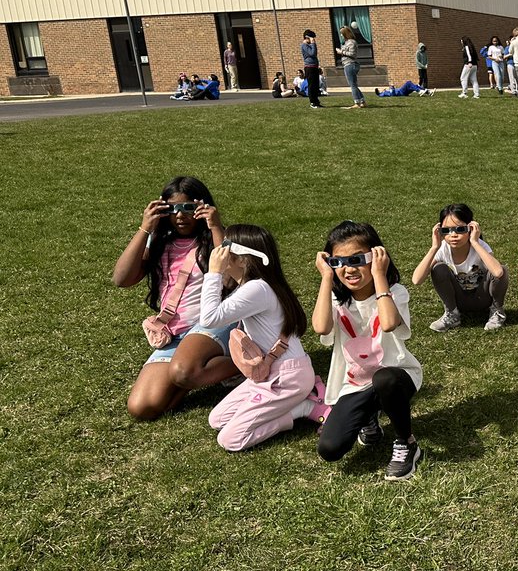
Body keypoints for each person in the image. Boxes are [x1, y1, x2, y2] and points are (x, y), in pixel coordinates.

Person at [112, 176, 239, 420]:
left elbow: (231, 278)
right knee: (142, 408)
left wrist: (215, 226)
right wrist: (145, 228)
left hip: (211, 324)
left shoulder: (212, 240)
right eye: (172, 209)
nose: (180, 215)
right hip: (174, 333)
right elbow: (122, 279)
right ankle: (197, 368)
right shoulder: (160, 243)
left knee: (183, 372)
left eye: (188, 208)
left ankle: (249, 361)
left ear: (202, 208)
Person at [313, 221, 425, 481]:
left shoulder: (394, 292)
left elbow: (388, 324)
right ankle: (369, 417)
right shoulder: (336, 298)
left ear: (376, 256)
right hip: (355, 384)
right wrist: (326, 278)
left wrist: (379, 276)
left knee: (384, 379)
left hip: (397, 376)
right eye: (338, 262)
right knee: (330, 449)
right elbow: (320, 327)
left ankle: (406, 443)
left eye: (357, 259)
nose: (348, 268)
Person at [200, 225, 326, 452]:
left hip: (286, 378)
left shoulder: (257, 289)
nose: (219, 252)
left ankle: (303, 408)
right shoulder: (258, 286)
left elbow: (209, 318)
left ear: (243, 259)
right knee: (216, 420)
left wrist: (214, 273)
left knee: (230, 440)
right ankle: (299, 399)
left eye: (225, 247)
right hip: (271, 372)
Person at [413, 204, 508, 332]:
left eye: (460, 229)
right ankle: (452, 314)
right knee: (438, 268)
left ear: (471, 228)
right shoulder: (443, 250)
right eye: (446, 230)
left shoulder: (480, 246)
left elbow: (498, 272)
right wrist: (434, 247)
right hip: (459, 301)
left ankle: (497, 311)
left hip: (483, 298)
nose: (453, 235)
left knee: (502, 269)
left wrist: (475, 242)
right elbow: (416, 280)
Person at [336, 25, 365, 109]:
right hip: (349, 64)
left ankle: (357, 103)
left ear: (345, 33)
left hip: (350, 64)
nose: (341, 35)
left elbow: (353, 54)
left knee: (352, 85)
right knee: (354, 85)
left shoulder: (351, 42)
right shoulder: (346, 42)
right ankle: (362, 101)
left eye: (341, 33)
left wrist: (341, 52)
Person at [301, 29, 322, 109]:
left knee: (316, 85)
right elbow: (312, 53)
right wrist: (313, 44)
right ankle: (312, 102)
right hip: (309, 67)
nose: (313, 39)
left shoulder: (310, 45)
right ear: (307, 37)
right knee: (311, 85)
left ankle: (316, 101)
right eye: (311, 38)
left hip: (314, 67)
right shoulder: (304, 45)